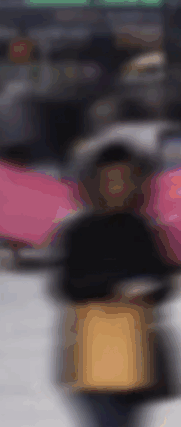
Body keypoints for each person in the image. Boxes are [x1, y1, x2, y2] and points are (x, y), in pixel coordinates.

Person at [51, 143, 178, 427]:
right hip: (91, 346)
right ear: (94, 183)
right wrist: (112, 288)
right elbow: (65, 286)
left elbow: (162, 282)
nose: (118, 187)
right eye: (111, 179)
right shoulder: (79, 231)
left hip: (137, 349)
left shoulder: (142, 229)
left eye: (126, 179)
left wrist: (150, 289)